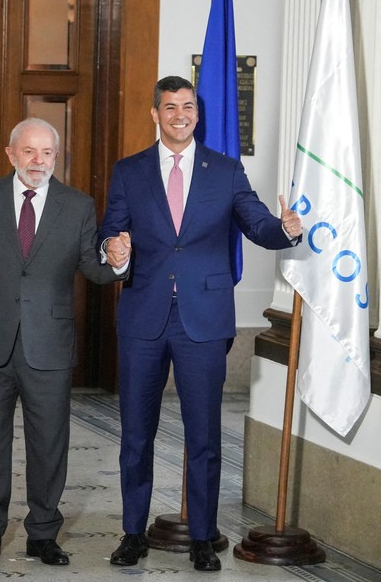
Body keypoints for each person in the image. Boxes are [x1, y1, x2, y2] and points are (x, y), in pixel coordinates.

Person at [100, 76, 302, 572]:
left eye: (187, 106)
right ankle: (132, 533)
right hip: (144, 316)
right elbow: (112, 228)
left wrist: (286, 231)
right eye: (170, 107)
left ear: (197, 112)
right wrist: (114, 249)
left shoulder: (226, 171)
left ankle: (203, 536)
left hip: (204, 320)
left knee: (205, 434)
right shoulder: (129, 171)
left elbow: (258, 225)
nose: (179, 115)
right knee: (136, 434)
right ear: (155, 114)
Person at [0, 117, 122, 566]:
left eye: (47, 153)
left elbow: (93, 267)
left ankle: (43, 534)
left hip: (49, 343)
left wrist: (118, 262)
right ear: (11, 154)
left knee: (49, 443)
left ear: (57, 157)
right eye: (29, 152)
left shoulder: (78, 205)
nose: (38, 161)